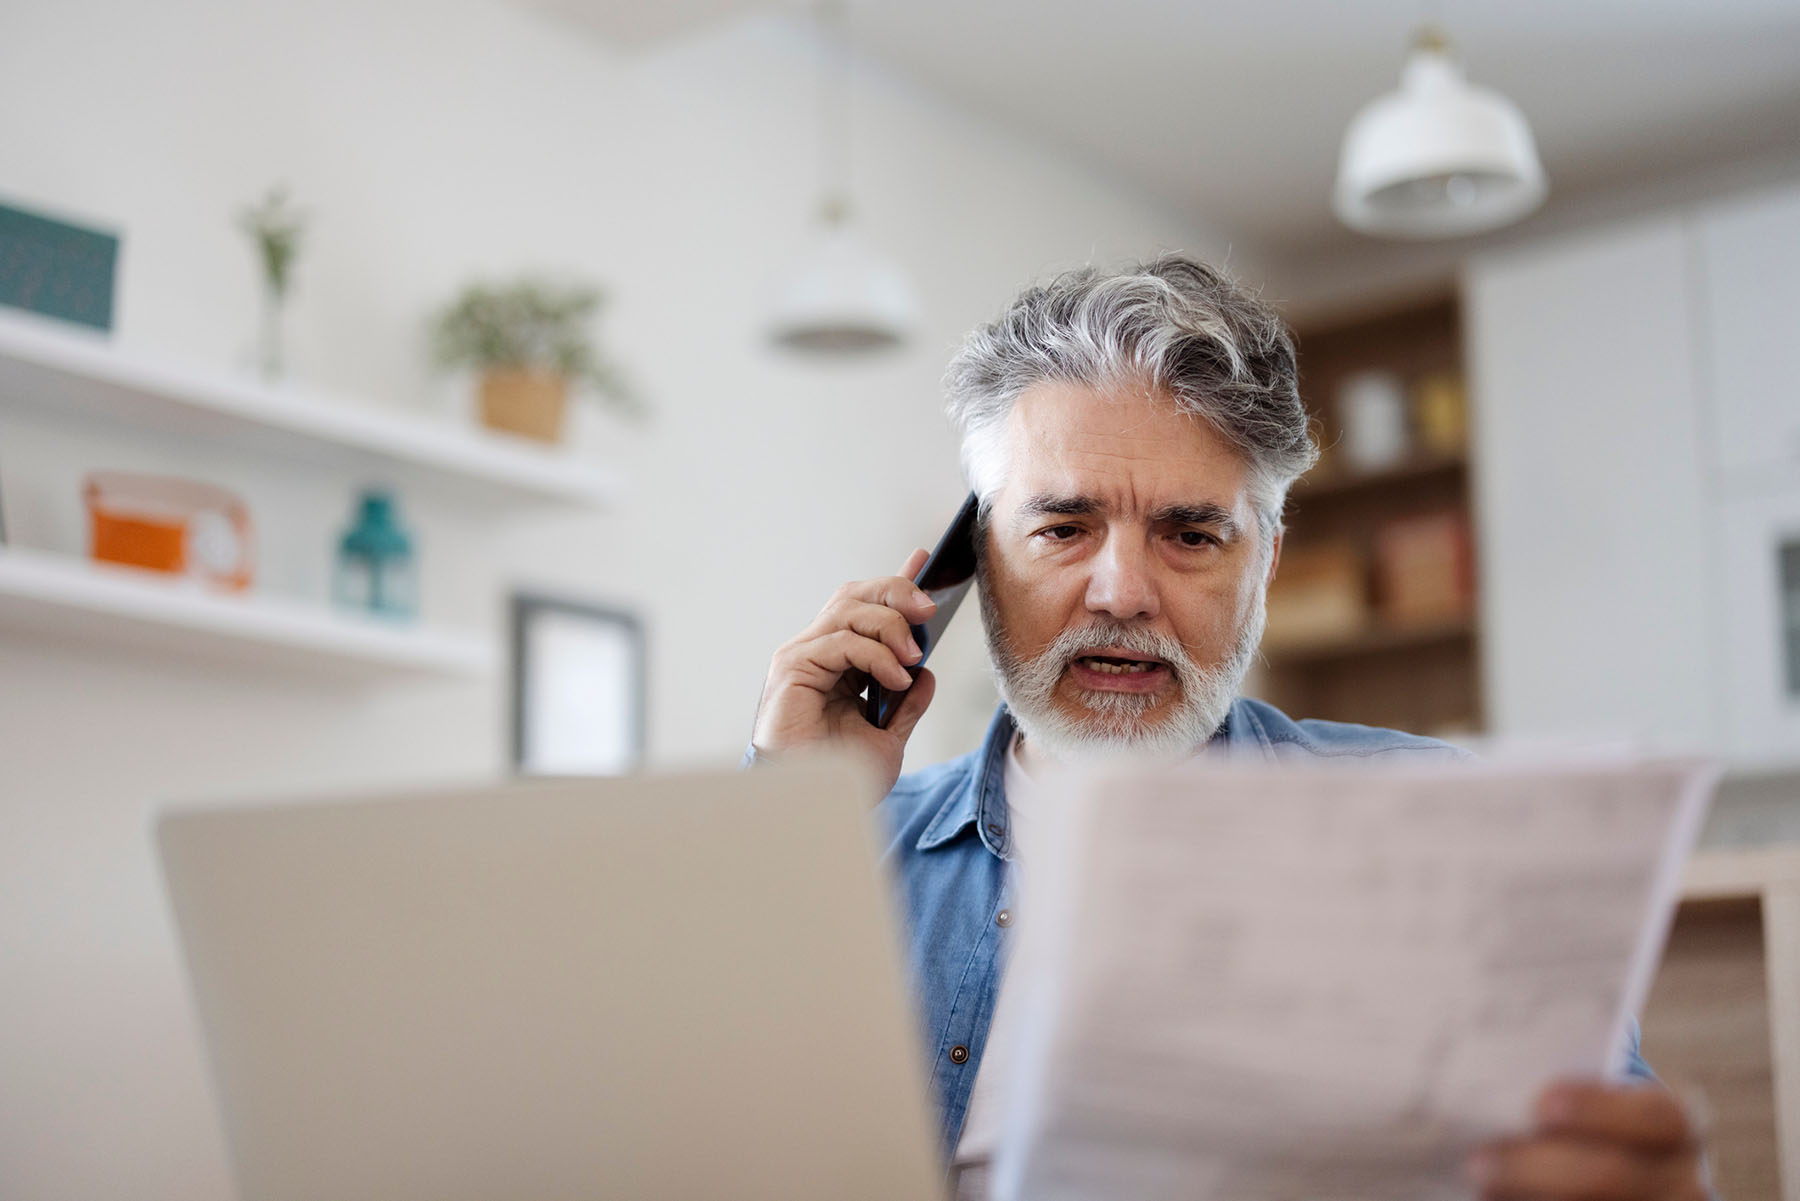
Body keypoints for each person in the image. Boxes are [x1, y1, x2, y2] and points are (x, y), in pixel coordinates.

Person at [750, 256, 1709, 1201]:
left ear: (1268, 561)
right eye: (1061, 528)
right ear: (976, 562)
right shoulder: (845, 847)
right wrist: (793, 815)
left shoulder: (1439, 824)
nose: (1121, 592)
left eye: (1192, 534)